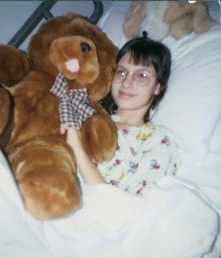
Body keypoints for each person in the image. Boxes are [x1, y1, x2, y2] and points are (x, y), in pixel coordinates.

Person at [62, 34, 179, 196]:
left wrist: (76, 147)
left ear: (157, 87)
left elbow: (124, 208)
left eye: (141, 75)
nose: (126, 82)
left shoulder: (157, 142)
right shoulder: (86, 112)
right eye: (121, 72)